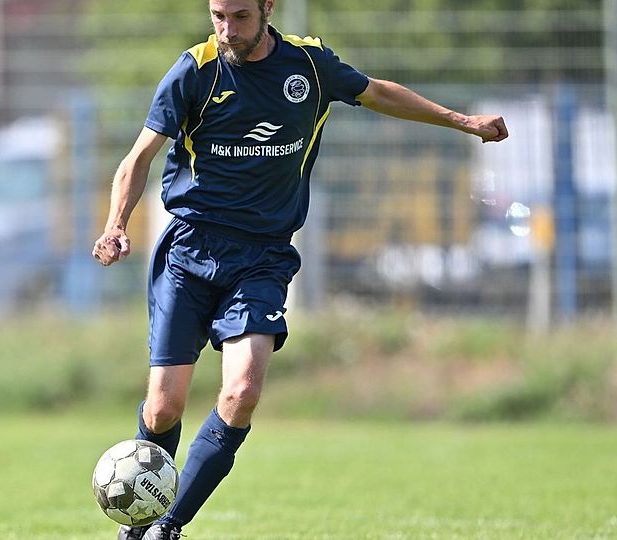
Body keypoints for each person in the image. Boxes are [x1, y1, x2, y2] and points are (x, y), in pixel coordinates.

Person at [92, 1, 508, 538]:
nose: (226, 29)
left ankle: (166, 527)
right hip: (190, 253)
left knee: (242, 392)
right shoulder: (193, 70)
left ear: (268, 8)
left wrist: (463, 121)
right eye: (217, 15)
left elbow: (377, 91)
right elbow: (138, 158)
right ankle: (142, 514)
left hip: (263, 256)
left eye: (239, 16)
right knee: (165, 407)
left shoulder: (309, 67)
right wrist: (114, 224)